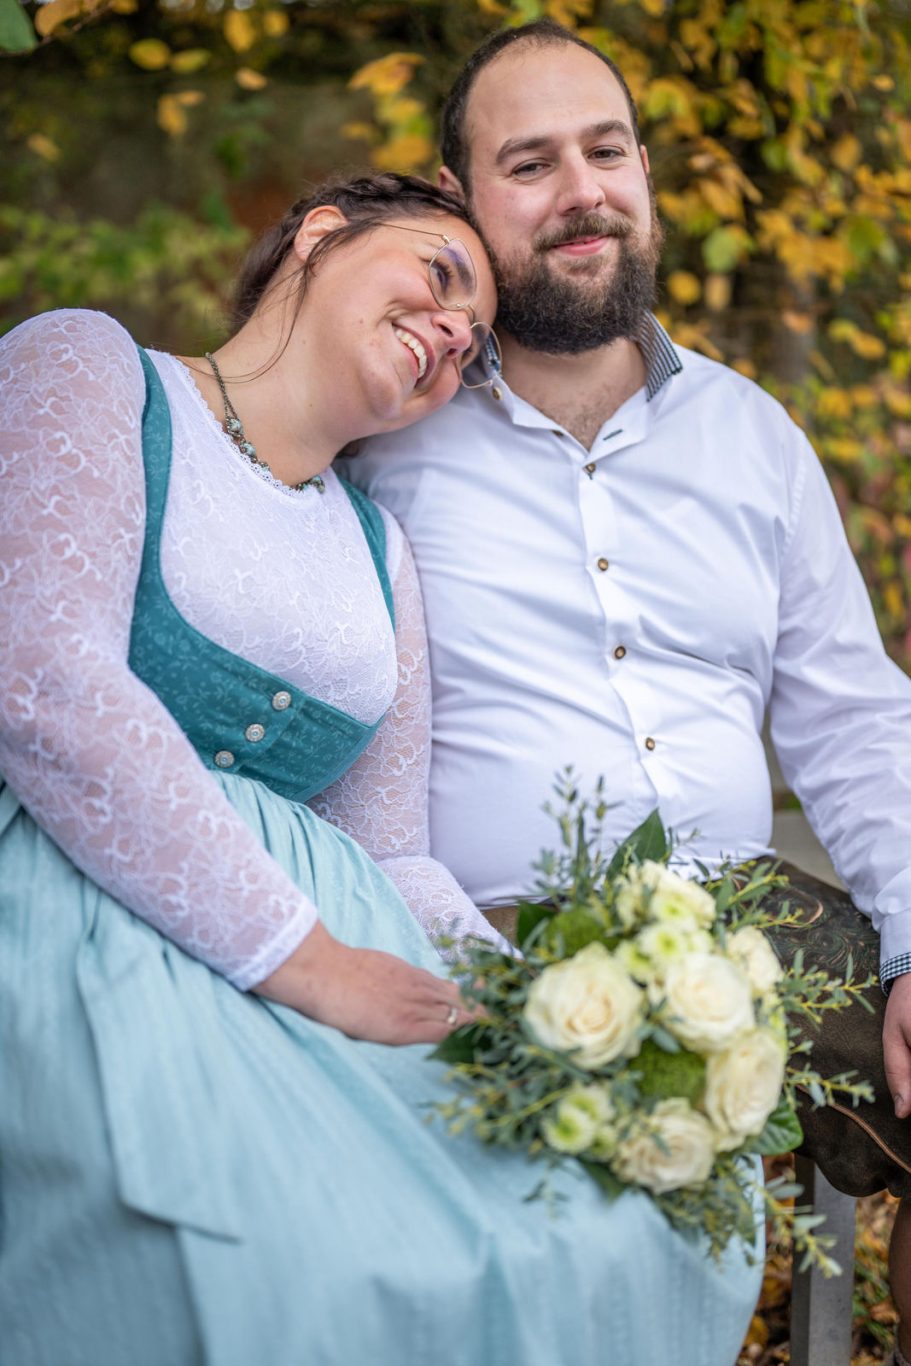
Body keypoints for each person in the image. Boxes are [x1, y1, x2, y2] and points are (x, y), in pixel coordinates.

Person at [0, 170, 762, 1366]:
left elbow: (391, 850)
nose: (454, 330)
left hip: (327, 953)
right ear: (319, 234)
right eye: (439, 276)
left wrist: (539, 1019)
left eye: (472, 342)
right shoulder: (94, 370)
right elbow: (43, 680)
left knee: (585, 1213)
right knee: (281, 1262)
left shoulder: (380, 552)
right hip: (73, 914)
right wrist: (303, 958)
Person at [344, 22, 911, 1363]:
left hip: (754, 929)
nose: (578, 191)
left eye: (603, 152)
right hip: (485, 941)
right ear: (460, 201)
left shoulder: (748, 437)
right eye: (527, 164)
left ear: (645, 174)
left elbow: (849, 716)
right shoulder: (383, 438)